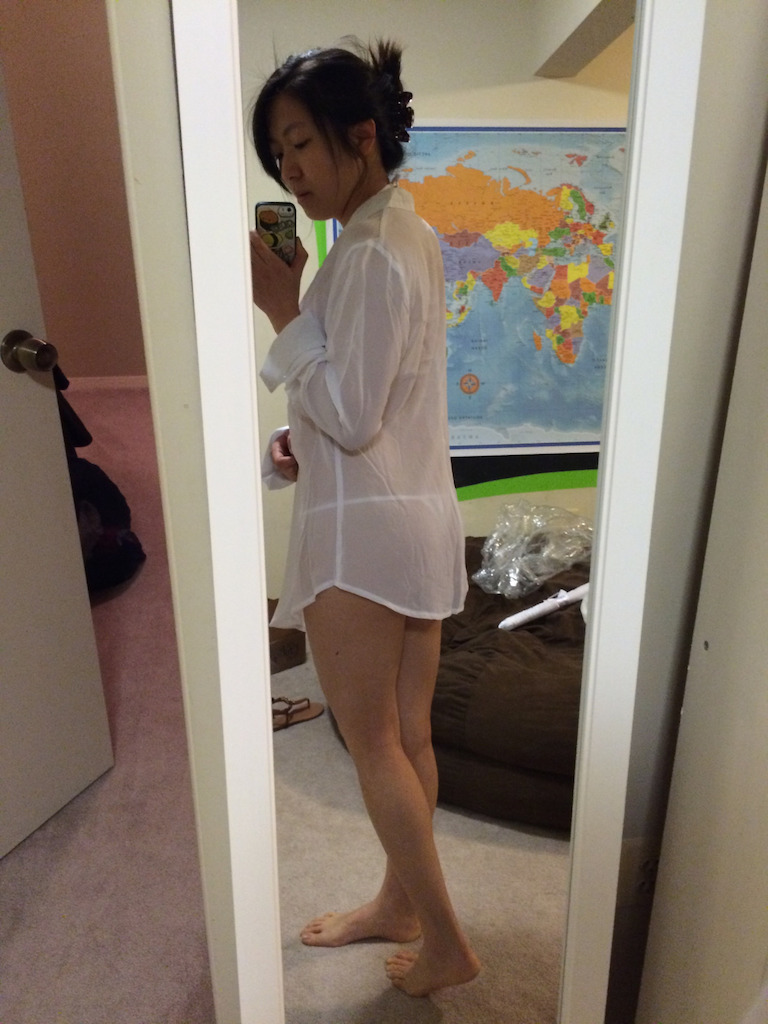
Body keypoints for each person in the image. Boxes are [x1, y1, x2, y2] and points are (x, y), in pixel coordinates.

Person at [249, 39, 480, 997]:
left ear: (363, 134)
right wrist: (293, 442)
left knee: (375, 743)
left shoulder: (374, 250)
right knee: (408, 738)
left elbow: (350, 411)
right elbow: (363, 405)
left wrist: (280, 309)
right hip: (404, 517)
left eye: (301, 144)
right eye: (278, 155)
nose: (290, 170)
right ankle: (400, 904)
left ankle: (447, 943)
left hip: (366, 542)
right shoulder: (389, 237)